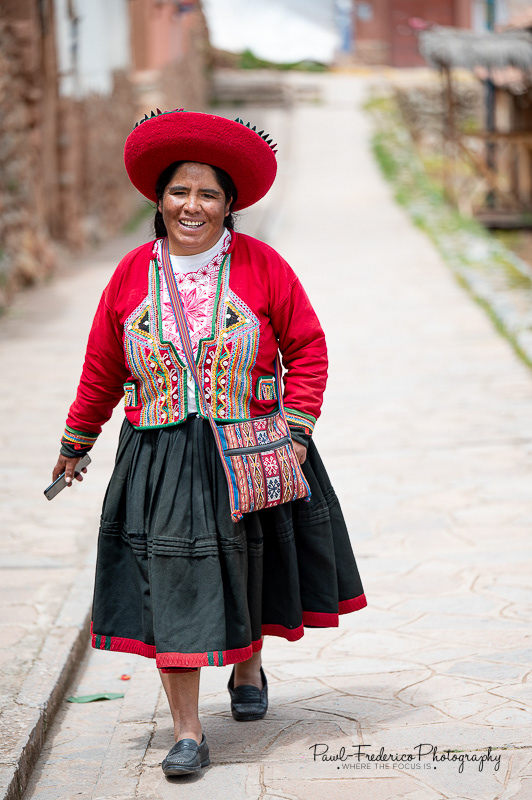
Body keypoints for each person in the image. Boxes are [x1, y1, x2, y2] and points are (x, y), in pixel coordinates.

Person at [52, 110, 367, 777]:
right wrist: (77, 439)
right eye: (179, 191)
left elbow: (307, 347)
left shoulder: (263, 267)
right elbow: (103, 364)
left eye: (208, 194)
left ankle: (247, 666)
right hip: (160, 456)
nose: (192, 206)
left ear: (229, 206)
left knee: (247, 565)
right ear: (159, 198)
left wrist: (299, 425)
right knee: (175, 577)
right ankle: (188, 732)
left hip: (249, 447)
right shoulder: (131, 274)